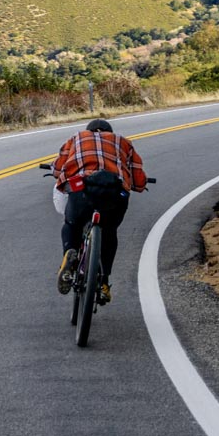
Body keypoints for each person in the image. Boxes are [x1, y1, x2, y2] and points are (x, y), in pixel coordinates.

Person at [49, 118, 148, 303]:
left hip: (82, 190)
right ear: (109, 131)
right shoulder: (123, 142)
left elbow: (57, 168)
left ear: (88, 130)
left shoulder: (76, 138)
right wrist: (139, 184)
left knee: (72, 223)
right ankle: (104, 282)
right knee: (110, 232)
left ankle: (69, 253)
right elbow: (139, 181)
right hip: (113, 194)